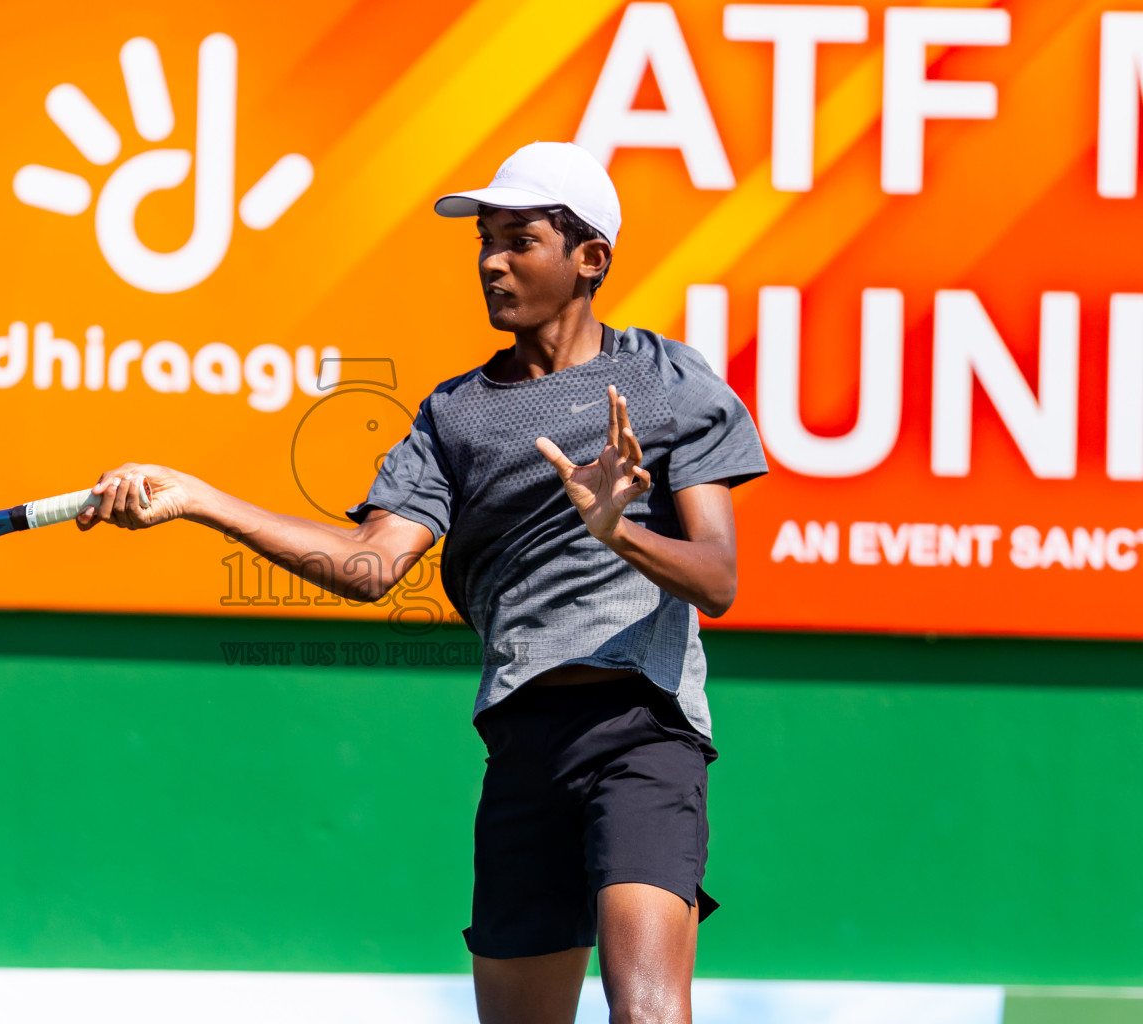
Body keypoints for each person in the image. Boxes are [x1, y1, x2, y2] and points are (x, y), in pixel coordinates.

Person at [77, 141, 768, 1024]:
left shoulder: (669, 383)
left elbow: (717, 580)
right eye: (485, 240)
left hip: (645, 733)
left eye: (519, 239)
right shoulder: (453, 415)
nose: (492, 261)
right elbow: (372, 566)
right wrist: (201, 499)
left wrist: (615, 530)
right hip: (523, 748)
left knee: (648, 1015)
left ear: (591, 258)